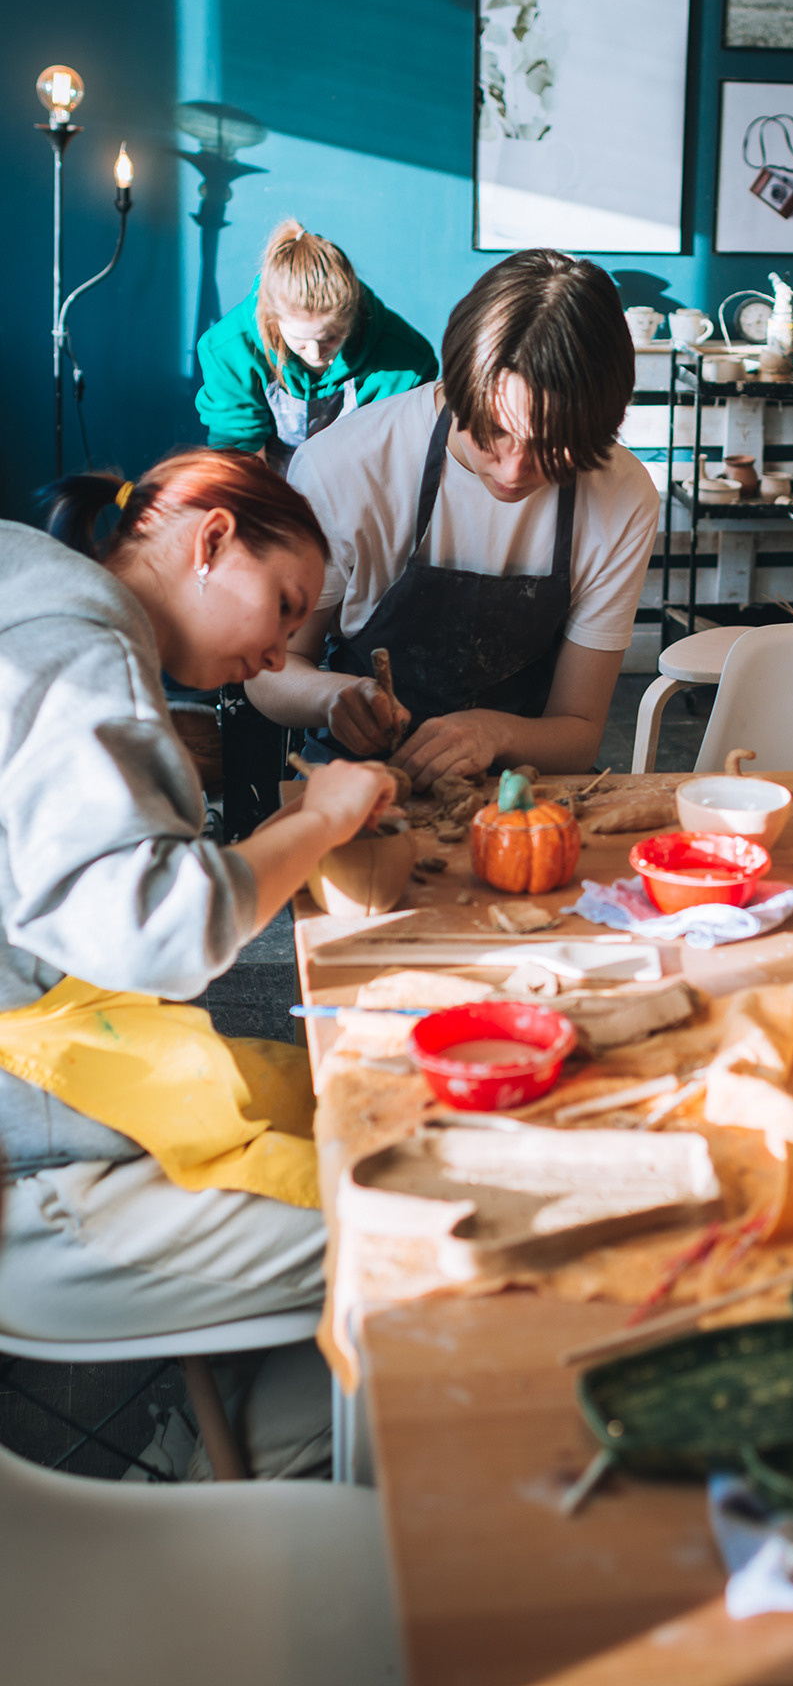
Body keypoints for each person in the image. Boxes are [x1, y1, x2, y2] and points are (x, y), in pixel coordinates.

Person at [0, 452, 394, 1469]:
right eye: (283, 604)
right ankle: (247, 1504)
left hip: (55, 1097)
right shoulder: (77, 645)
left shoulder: (35, 580)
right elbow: (161, 930)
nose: (276, 654)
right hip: (38, 1184)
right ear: (210, 539)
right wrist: (319, 819)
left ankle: (213, 1457)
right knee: (411, 1240)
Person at [248, 249, 658, 787]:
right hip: (353, 783)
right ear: (458, 382)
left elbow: (578, 729)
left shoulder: (622, 495)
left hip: (519, 787)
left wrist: (495, 734)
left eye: (553, 447)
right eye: (494, 431)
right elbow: (269, 672)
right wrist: (332, 697)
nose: (513, 470)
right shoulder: (345, 466)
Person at [195, 219, 437, 469]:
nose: (316, 354)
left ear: (353, 316)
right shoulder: (228, 349)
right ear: (272, 319)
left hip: (360, 479)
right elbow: (239, 450)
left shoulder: (406, 359)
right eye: (300, 341)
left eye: (331, 337)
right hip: (270, 477)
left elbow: (396, 458)